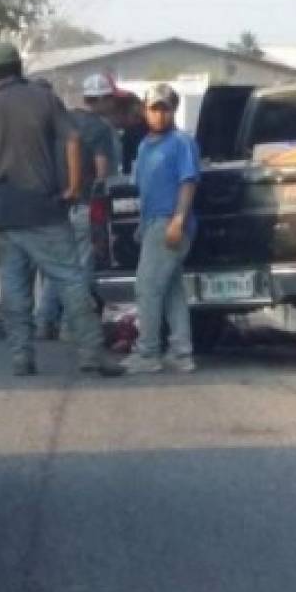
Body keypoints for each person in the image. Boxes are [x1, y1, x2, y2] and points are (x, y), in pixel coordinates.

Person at [0, 42, 123, 377]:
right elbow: (74, 140)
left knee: (14, 290)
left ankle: (22, 358)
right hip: (45, 211)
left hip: (4, 215)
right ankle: (91, 355)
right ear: (19, 66)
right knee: (71, 280)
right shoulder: (44, 99)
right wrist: (74, 187)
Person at [121, 83, 201, 374]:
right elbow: (145, 190)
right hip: (153, 223)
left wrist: (178, 221)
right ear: (145, 110)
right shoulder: (144, 146)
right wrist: (143, 226)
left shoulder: (181, 143)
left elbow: (188, 182)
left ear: (173, 111)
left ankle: (148, 353)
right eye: (154, 108)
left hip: (170, 222)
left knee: (147, 289)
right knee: (171, 291)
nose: (159, 115)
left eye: (164, 108)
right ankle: (181, 353)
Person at [34, 78, 118, 340]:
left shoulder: (63, 121)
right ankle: (73, 327)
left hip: (57, 207)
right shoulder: (100, 129)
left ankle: (45, 322)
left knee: (57, 268)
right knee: (81, 270)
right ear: (104, 99)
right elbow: (102, 170)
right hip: (85, 206)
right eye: (110, 98)